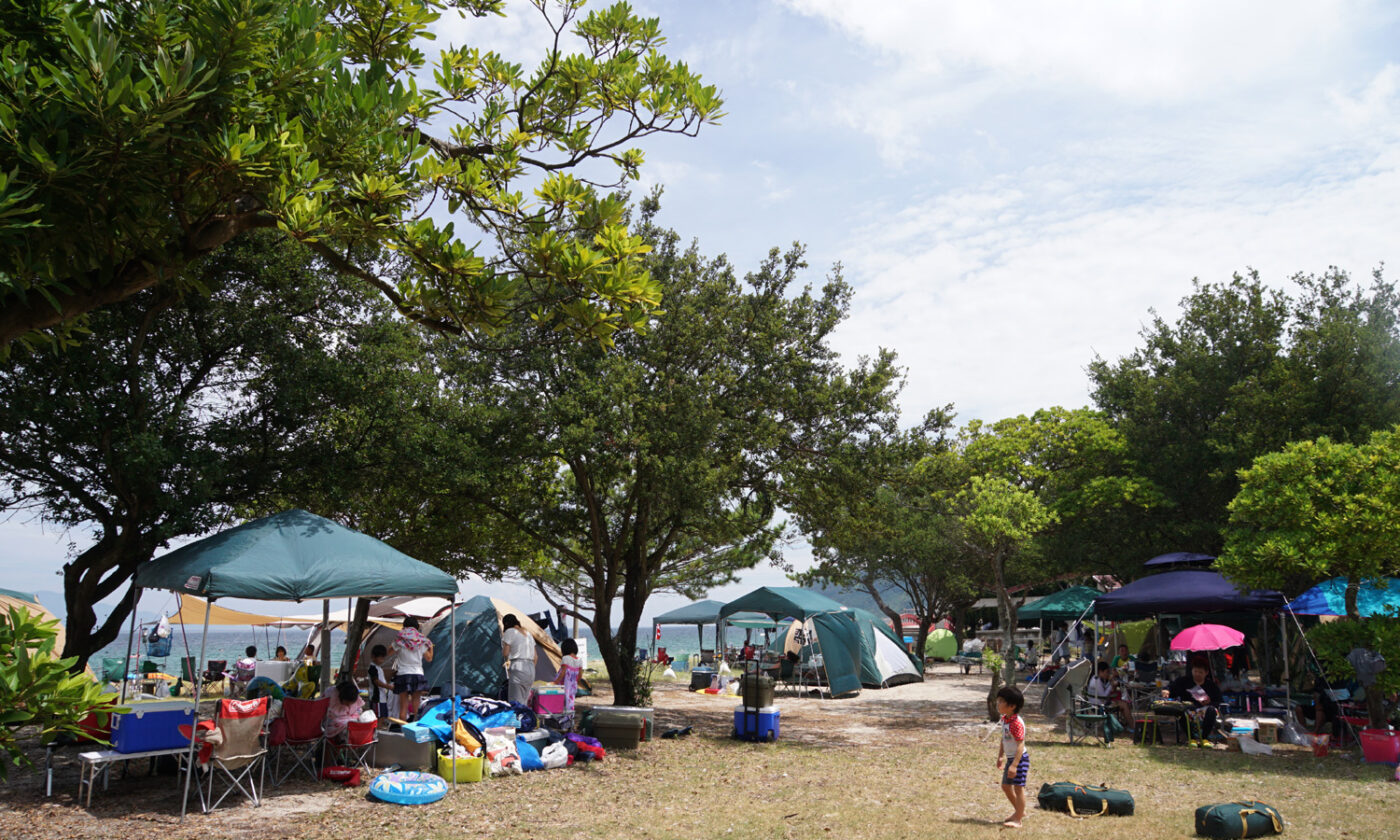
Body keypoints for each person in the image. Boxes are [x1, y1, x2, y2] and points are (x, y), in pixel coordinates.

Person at [1168, 656, 1223, 744]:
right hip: (1189, 710)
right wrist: (1166, 691)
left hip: (1205, 711)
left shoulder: (1211, 685)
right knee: (1180, 711)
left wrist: (1210, 702)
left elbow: (1219, 701)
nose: (1197, 674)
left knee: (1212, 710)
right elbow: (1171, 689)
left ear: (1206, 673)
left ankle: (1204, 738)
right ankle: (1191, 738)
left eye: (1200, 672)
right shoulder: (1184, 681)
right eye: (1195, 671)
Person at [995, 685, 1028, 829]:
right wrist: (1000, 756)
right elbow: (1004, 739)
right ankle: (1019, 811)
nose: (998, 704)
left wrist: (1014, 765)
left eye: (1001, 701)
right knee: (1005, 786)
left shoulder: (1016, 723)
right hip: (1010, 758)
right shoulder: (1005, 719)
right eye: (998, 700)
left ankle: (1018, 819)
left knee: (1018, 788)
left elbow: (1020, 745)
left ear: (1012, 706)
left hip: (1019, 759)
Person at [391, 616, 434, 721]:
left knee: (403, 706)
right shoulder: (421, 641)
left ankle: (402, 728)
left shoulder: (399, 640)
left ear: (404, 626)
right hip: (417, 674)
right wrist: (431, 647)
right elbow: (429, 658)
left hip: (403, 674)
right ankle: (416, 728)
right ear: (417, 627)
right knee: (416, 705)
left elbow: (389, 652)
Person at [501, 614, 536, 706]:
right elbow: (536, 656)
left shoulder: (510, 631)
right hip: (531, 668)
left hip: (518, 667)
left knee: (515, 702)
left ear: (506, 624)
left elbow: (505, 653)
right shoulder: (528, 634)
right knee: (524, 701)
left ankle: (517, 715)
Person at [554, 638, 583, 717]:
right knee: (570, 702)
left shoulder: (565, 658)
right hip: (573, 686)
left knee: (562, 702)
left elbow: (563, 672)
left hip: (564, 685)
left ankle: (562, 719)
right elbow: (580, 675)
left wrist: (556, 682)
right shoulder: (579, 660)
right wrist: (575, 681)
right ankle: (569, 718)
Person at [367, 644, 393, 721]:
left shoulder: (378, 668)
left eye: (383, 658)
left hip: (382, 697)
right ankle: (377, 727)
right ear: (373, 657)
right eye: (380, 658)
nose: (382, 660)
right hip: (376, 698)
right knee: (378, 717)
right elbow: (376, 681)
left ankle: (379, 727)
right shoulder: (373, 668)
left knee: (382, 716)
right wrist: (388, 686)